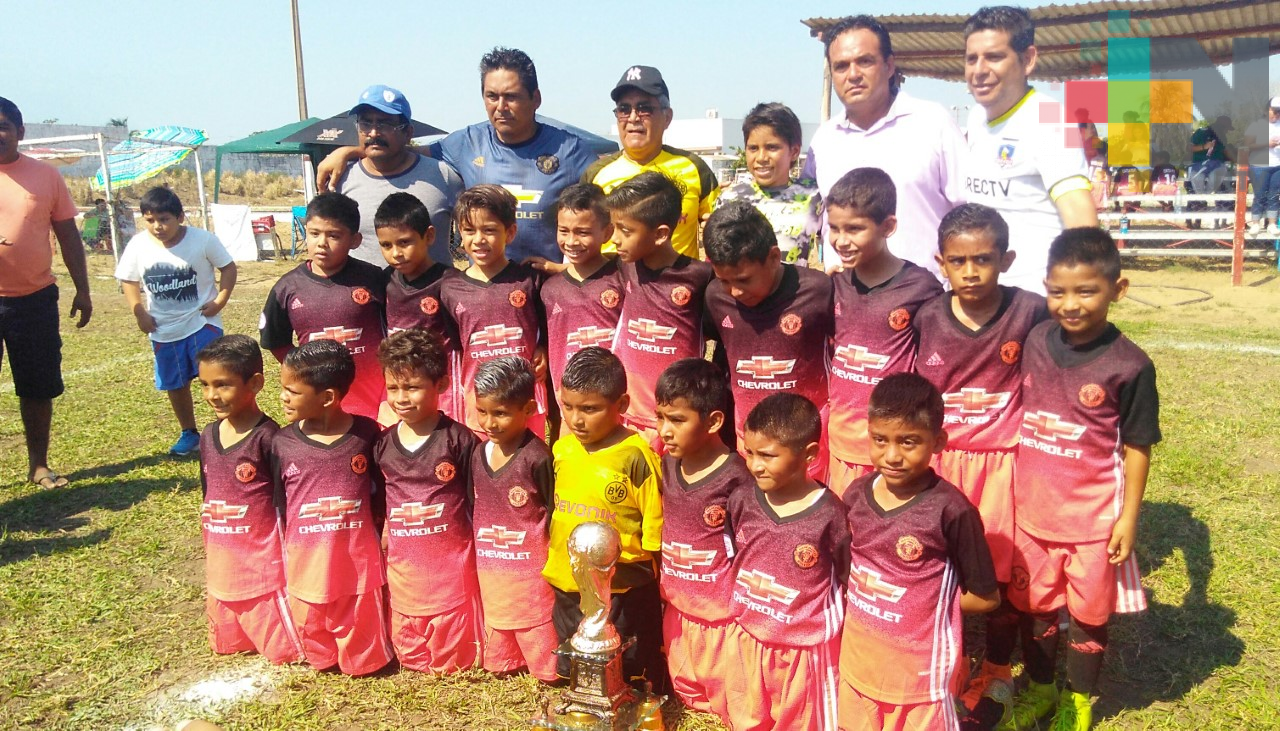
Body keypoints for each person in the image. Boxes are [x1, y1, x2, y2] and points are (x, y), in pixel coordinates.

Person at [1006, 228, 1160, 731]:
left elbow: (1137, 446)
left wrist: (1128, 518)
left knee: (1090, 615)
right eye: (1057, 291)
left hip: (1092, 521)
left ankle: (1079, 701)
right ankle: (1043, 689)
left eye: (1086, 291)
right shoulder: (1034, 340)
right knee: (1035, 607)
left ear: (1119, 289)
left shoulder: (1131, 365)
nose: (1069, 304)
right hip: (1030, 515)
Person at [912, 204, 1049, 729]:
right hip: (941, 462)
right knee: (943, 569)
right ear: (940, 262)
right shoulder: (926, 316)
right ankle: (950, 662)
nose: (971, 272)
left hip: (1002, 464)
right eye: (959, 261)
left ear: (1006, 259)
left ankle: (996, 668)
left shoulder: (1030, 311)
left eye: (983, 260)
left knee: (999, 574)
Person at [318, 49, 595, 265]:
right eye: (491, 96)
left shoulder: (571, 150)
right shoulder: (466, 143)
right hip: (487, 291)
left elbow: (606, 221)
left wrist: (569, 269)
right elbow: (402, 148)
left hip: (547, 290)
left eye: (511, 96)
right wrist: (350, 151)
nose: (500, 107)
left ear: (536, 98)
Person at [837, 373, 1000, 731]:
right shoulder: (855, 495)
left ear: (938, 441)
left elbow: (986, 598)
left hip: (919, 676)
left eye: (908, 442)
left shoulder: (953, 511)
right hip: (858, 661)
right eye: (880, 440)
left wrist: (921, 605)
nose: (892, 455)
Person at [723, 393, 851, 731]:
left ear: (808, 454)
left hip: (804, 650)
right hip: (749, 636)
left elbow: (845, 579)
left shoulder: (830, 514)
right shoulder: (740, 500)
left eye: (767, 455)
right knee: (747, 720)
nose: (754, 465)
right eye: (749, 452)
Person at [802, 16, 964, 277]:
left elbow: (969, 213)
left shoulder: (933, 123)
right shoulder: (824, 140)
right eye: (841, 66)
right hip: (847, 305)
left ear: (889, 65)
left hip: (926, 304)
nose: (853, 75)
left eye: (864, 61)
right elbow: (808, 220)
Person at [543, 347, 666, 691]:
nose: (576, 419)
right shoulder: (563, 449)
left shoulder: (637, 456)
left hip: (621, 587)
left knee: (624, 664)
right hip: (569, 580)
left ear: (622, 405)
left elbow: (654, 527)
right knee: (576, 657)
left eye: (590, 409)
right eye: (567, 406)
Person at [271, 339, 392, 676]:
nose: (283, 397)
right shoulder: (281, 443)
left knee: (365, 665)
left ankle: (364, 654)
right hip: (305, 567)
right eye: (283, 388)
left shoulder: (368, 436)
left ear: (327, 398)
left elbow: (383, 492)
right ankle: (321, 652)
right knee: (318, 648)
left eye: (292, 391)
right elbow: (281, 505)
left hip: (358, 568)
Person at [962, 6, 1098, 294]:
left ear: (1027, 59)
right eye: (971, 59)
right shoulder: (975, 117)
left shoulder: (1050, 118)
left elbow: (1078, 210)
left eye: (994, 57)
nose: (979, 71)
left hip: (1032, 299)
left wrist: (1084, 289)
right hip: (986, 297)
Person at [826, 168, 943, 496]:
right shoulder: (834, 284)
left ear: (888, 226)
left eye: (855, 228)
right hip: (839, 445)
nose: (841, 240)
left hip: (893, 452)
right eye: (834, 228)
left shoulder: (920, 288)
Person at [373, 328, 481, 675]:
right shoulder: (382, 444)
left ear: (441, 385)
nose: (401, 398)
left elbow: (476, 502)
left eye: (413, 387)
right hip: (404, 569)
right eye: (393, 388)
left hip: (452, 570)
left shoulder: (461, 441)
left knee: (453, 664)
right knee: (412, 657)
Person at [0, 96, 93, 489]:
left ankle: (38, 463)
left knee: (37, 385)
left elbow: (68, 237)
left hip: (33, 298)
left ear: (20, 132)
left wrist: (83, 290)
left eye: (3, 125)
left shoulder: (47, 177)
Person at [702, 200, 833, 479]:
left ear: (774, 257)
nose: (734, 292)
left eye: (744, 280)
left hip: (807, 448)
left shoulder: (819, 292)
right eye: (725, 281)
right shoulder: (715, 297)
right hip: (747, 444)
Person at [653, 358, 752, 722]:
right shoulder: (663, 464)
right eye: (661, 417)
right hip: (678, 606)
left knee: (725, 701)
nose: (665, 430)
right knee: (688, 696)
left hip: (720, 615)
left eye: (677, 420)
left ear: (713, 422)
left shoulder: (737, 479)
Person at [195, 334, 302, 665]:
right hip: (222, 567)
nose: (212, 395)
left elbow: (288, 509)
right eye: (204, 385)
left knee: (286, 655)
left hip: (265, 577)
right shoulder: (208, 437)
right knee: (227, 647)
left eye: (223, 385)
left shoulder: (271, 439)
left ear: (255, 383)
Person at [115, 186, 237, 456]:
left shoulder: (203, 240)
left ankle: (229, 428)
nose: (157, 226)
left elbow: (228, 267)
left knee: (216, 375)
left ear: (180, 217)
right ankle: (189, 433)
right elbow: (129, 279)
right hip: (163, 330)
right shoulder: (138, 245)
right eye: (150, 220)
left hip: (202, 323)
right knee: (176, 383)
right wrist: (139, 312)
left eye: (164, 219)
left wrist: (220, 300)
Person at [606, 172, 715, 444]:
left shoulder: (700, 277)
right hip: (626, 413)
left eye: (626, 231)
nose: (615, 239)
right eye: (614, 228)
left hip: (677, 420)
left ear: (661, 234)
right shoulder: (624, 266)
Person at [260, 192, 386, 422]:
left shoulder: (373, 278)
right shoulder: (287, 288)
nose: (321, 244)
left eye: (334, 236)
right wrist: (307, 372)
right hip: (319, 404)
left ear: (355, 240)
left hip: (375, 402)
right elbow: (275, 341)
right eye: (314, 233)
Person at [469, 356, 558, 683]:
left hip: (530, 569)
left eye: (501, 413)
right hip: (492, 567)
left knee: (533, 614)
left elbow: (552, 511)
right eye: (483, 412)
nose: (490, 422)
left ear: (529, 409)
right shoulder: (478, 454)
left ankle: (546, 667)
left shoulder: (538, 457)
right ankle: (503, 660)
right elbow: (472, 502)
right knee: (499, 610)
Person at [438, 185, 548, 438]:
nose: (479, 239)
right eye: (469, 231)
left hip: (526, 403)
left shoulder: (530, 281)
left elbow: (547, 329)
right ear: (459, 234)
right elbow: (456, 351)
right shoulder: (450, 288)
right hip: (479, 408)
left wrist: (543, 347)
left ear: (510, 232)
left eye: (489, 230)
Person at [583, 65, 719, 259]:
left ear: (667, 117)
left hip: (679, 287)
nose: (633, 118)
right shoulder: (596, 173)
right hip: (612, 287)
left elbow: (719, 230)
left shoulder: (695, 168)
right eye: (624, 109)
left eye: (644, 109)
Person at [332, 85, 463, 266]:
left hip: (432, 293)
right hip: (365, 294)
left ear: (408, 132)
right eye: (366, 123)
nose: (373, 132)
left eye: (385, 124)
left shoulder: (443, 176)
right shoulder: (341, 180)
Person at [375, 192, 460, 422]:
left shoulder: (451, 283)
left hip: (442, 391)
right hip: (400, 391)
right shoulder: (383, 282)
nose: (396, 253)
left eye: (405, 242)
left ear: (429, 236)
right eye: (386, 245)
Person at [540, 183, 622, 409]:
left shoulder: (623, 278)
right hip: (567, 403)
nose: (571, 241)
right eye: (563, 231)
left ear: (607, 232)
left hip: (612, 401)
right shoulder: (549, 289)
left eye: (583, 232)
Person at [716, 103, 821, 265]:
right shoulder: (730, 199)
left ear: (794, 151)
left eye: (772, 147)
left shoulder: (813, 197)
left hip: (796, 290)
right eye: (753, 148)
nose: (761, 157)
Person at [1187, 116, 1234, 229]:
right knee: (1195, 192)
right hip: (1199, 165)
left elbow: (1224, 151)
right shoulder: (1201, 132)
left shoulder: (1222, 136)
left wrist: (1236, 159)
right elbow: (1189, 148)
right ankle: (1191, 221)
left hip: (1217, 166)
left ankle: (1218, 221)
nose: (1226, 131)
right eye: (1225, 128)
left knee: (1218, 187)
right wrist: (1204, 146)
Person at [1244, 98, 1280, 235]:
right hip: (1259, 165)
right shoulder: (1256, 125)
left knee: (1274, 195)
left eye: (1279, 112)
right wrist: (1267, 143)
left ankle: (1272, 223)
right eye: (1274, 111)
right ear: (1267, 110)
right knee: (1260, 195)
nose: (1276, 115)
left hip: (1277, 164)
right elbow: (1248, 145)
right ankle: (1255, 223)